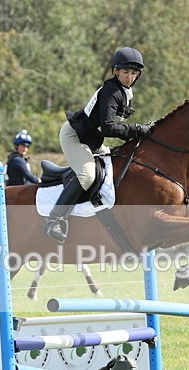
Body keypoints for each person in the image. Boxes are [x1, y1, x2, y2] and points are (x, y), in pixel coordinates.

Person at [44, 47, 153, 243]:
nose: (129, 77)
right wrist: (137, 129)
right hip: (74, 136)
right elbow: (109, 128)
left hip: (92, 140)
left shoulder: (124, 92)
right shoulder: (112, 91)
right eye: (126, 72)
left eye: (134, 73)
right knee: (87, 176)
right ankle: (54, 220)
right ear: (116, 71)